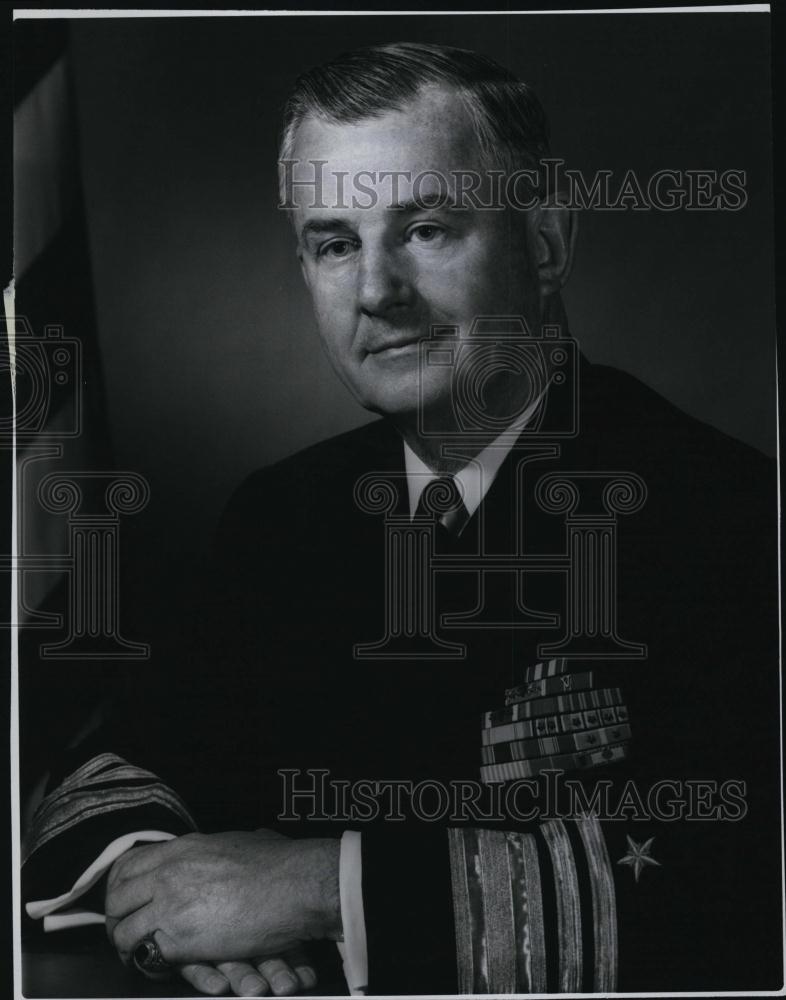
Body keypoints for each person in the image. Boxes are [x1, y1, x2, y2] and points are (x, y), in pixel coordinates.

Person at [21, 42, 781, 996]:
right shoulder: (281, 517)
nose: (376, 291)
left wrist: (320, 890)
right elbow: (122, 756)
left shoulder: (733, 519)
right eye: (334, 242)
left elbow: (746, 880)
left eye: (425, 228)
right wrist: (163, 888)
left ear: (546, 243)